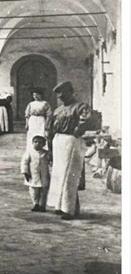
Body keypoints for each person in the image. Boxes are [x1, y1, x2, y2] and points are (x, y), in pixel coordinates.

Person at [47, 81, 92, 220]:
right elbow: (50, 128)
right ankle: (60, 205)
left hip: (71, 141)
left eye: (64, 94)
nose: (61, 97)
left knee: (69, 175)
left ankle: (70, 209)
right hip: (58, 141)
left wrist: (77, 131)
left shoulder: (80, 107)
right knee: (58, 174)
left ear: (71, 92)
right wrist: (49, 145)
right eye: (59, 95)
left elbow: (87, 121)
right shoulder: (58, 110)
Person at [20, 134, 51, 212]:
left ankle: (42, 205)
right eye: (35, 142)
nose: (37, 144)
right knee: (34, 191)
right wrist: (25, 172)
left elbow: (51, 162)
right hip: (33, 175)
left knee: (44, 191)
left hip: (44, 175)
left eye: (40, 142)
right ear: (32, 143)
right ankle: (35, 203)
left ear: (44, 144)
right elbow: (24, 163)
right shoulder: (29, 153)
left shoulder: (46, 153)